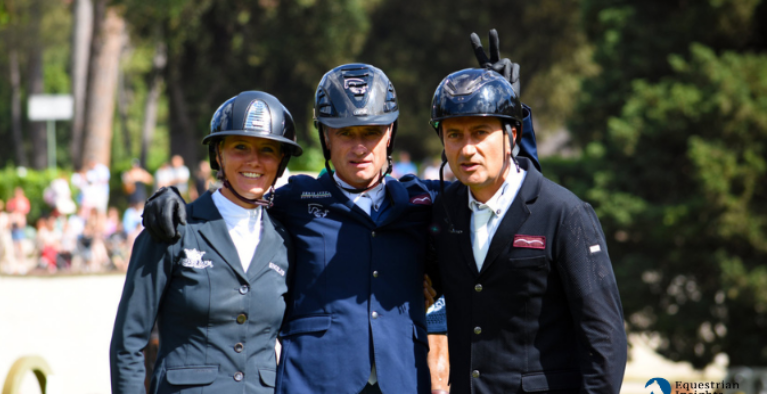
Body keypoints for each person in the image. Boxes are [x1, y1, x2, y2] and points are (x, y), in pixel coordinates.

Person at [142, 32, 542, 394]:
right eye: (345, 133)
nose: (359, 147)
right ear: (325, 137)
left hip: (403, 378)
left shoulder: (425, 201)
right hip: (313, 381)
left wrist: (510, 114)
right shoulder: (293, 200)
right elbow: (236, 198)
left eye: (371, 132)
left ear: (390, 134)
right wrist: (169, 199)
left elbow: (514, 196)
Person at [427, 63, 627, 392]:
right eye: (454, 135)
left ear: (512, 136)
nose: (467, 149)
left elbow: (604, 339)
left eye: (480, 132)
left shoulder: (565, 213)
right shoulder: (441, 212)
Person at [110, 91, 303, 393]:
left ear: (281, 162)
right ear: (219, 154)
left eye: (267, 150)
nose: (254, 160)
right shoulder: (173, 228)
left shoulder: (284, 242)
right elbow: (128, 343)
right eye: (240, 147)